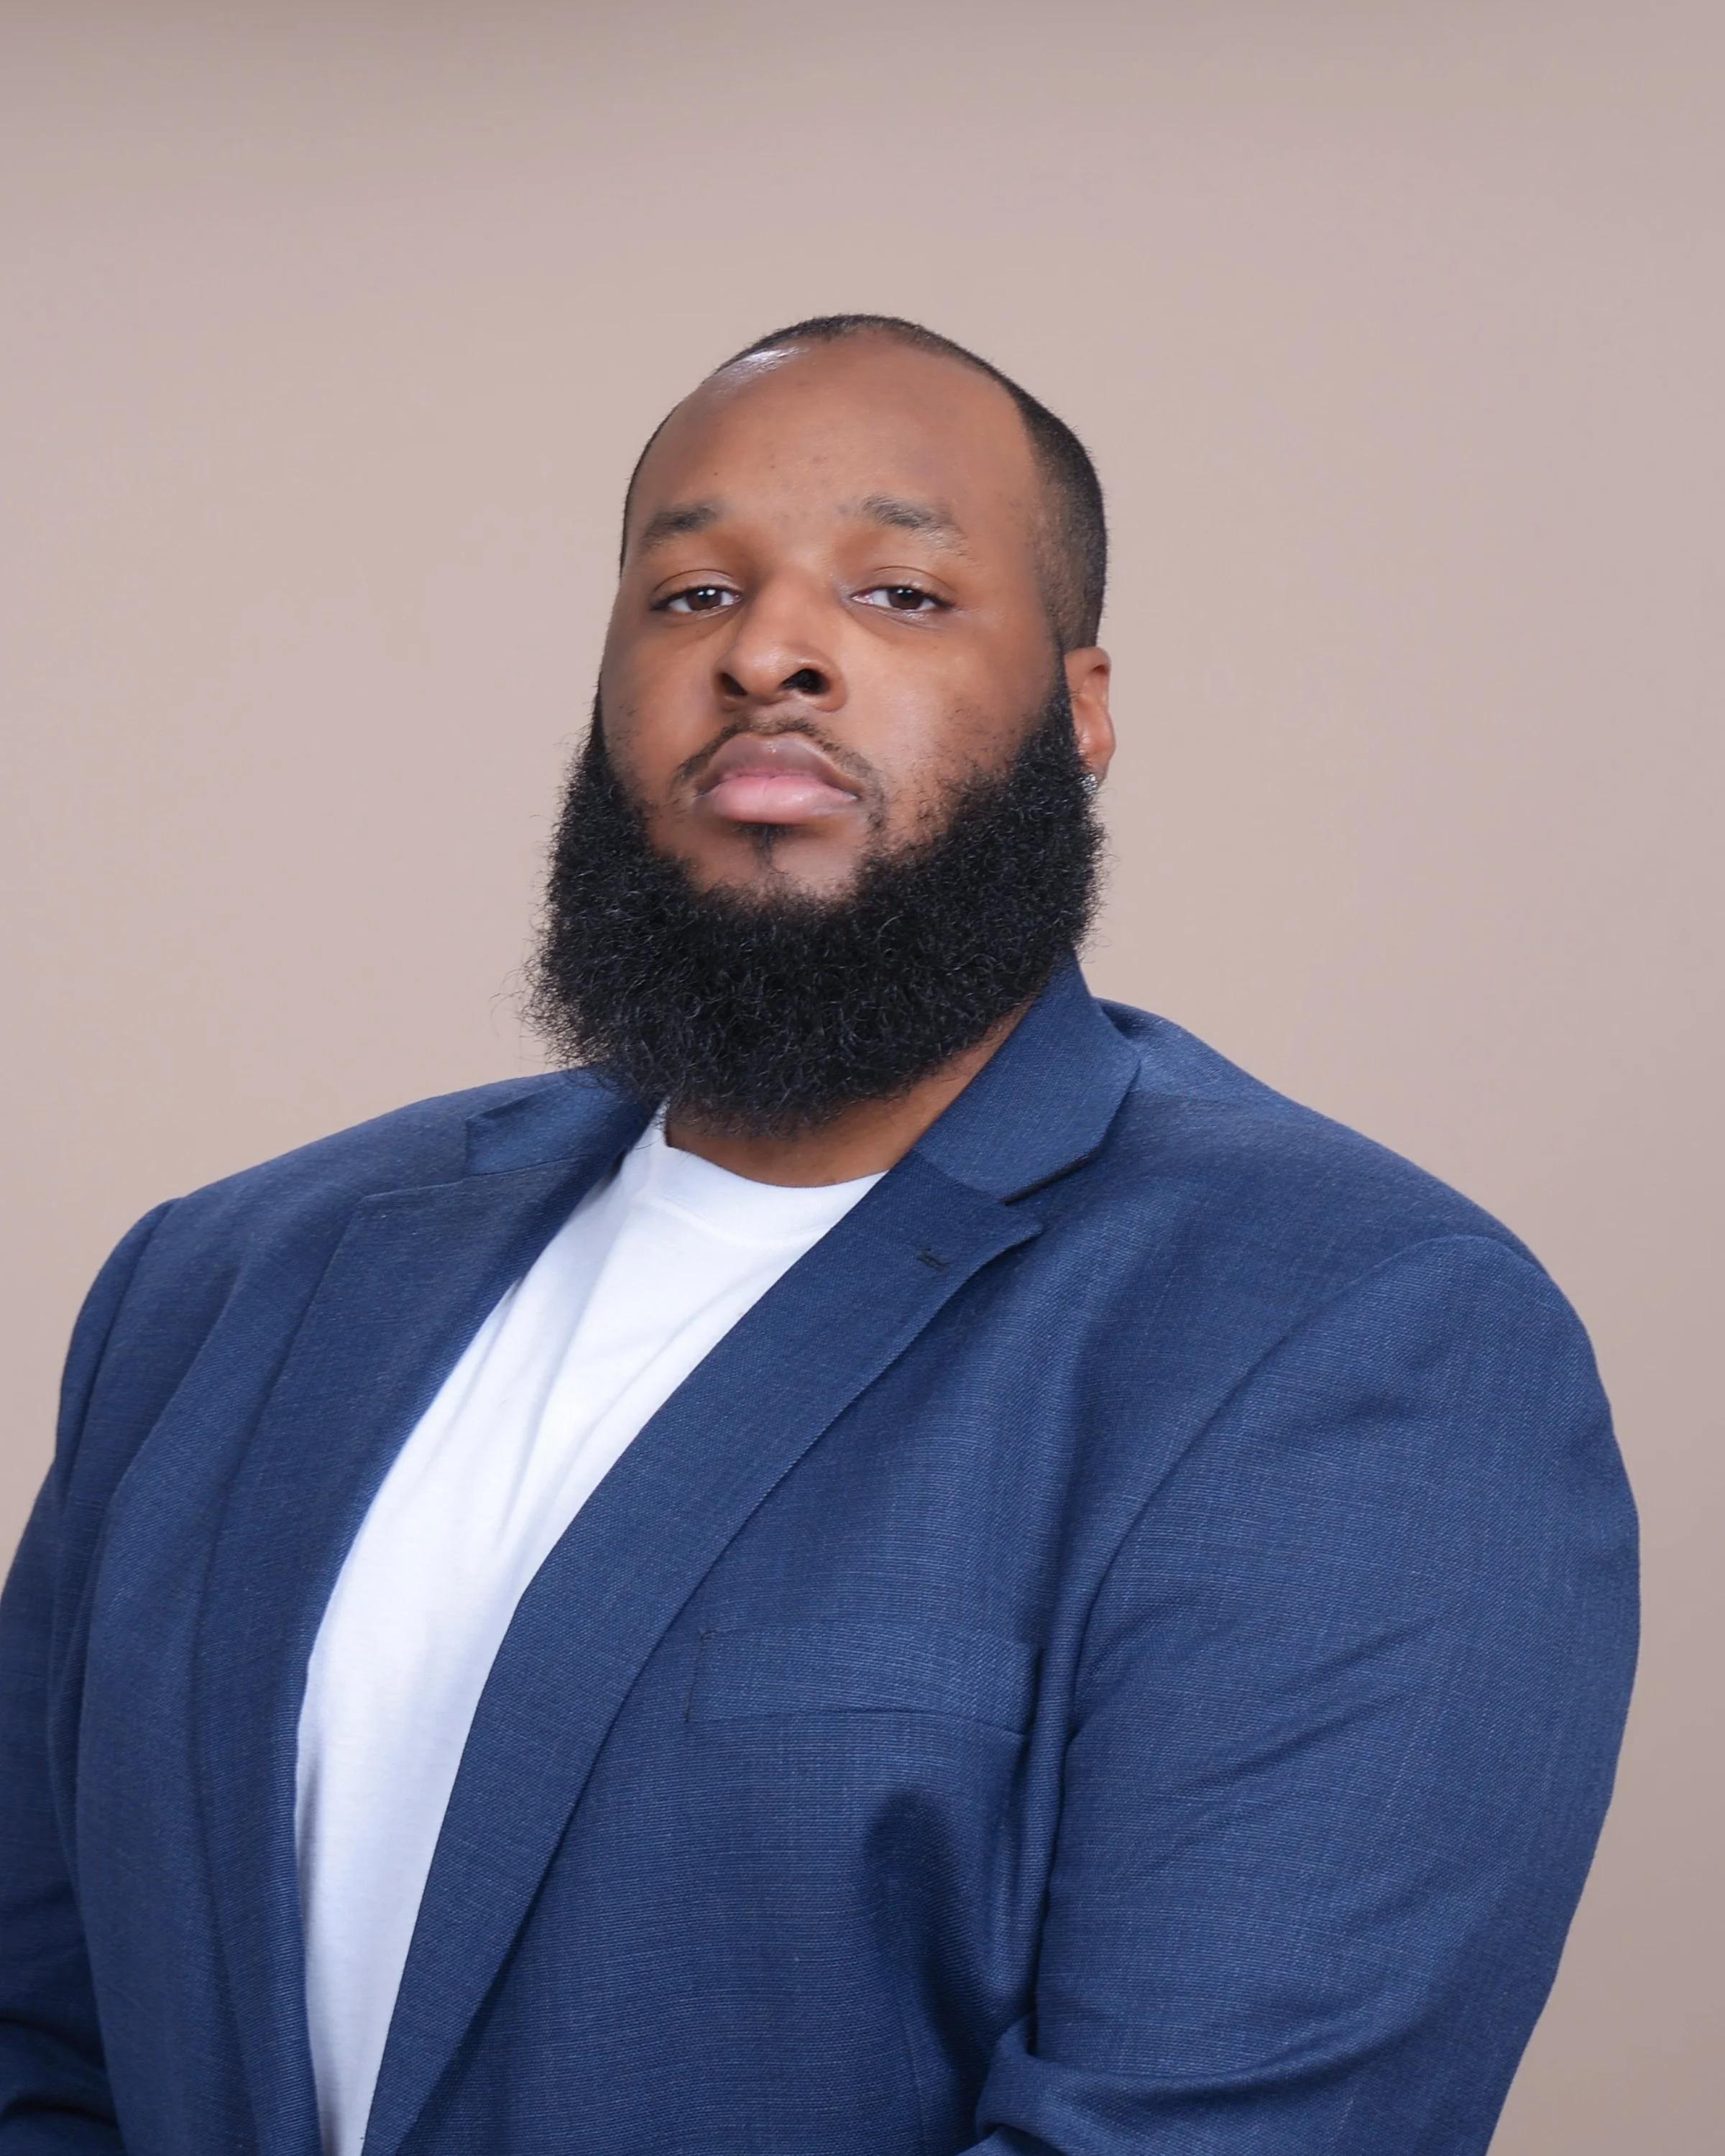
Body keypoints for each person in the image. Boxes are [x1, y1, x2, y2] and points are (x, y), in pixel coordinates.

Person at [0, 315, 1637, 2156]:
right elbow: (34, 2048)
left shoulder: (1358, 1339)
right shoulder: (221, 1286)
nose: (769, 651)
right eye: (692, 591)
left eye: (905, 594)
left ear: (1081, 711)